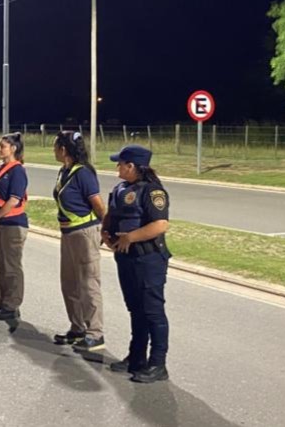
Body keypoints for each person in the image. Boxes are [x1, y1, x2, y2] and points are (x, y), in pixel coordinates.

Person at [102, 144, 171, 383]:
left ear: (131, 166)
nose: (117, 167)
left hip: (148, 259)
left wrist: (130, 237)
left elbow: (160, 225)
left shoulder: (153, 192)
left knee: (153, 311)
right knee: (135, 309)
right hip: (126, 257)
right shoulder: (120, 189)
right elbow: (111, 215)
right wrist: (105, 233)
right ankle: (136, 357)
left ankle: (158, 363)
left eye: (120, 163)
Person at [51, 131, 106, 352]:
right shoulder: (64, 171)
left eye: (55, 146)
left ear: (63, 149)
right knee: (69, 283)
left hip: (84, 234)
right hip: (68, 234)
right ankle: (77, 328)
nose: (53, 150)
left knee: (88, 284)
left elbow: (98, 205)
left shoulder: (83, 173)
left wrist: (106, 230)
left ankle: (95, 333)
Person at [0, 132, 29, 321]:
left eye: (2, 146)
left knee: (12, 267)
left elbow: (13, 200)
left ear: (13, 149)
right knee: (2, 265)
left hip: (13, 224)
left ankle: (12, 305)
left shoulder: (17, 171)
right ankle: (3, 301)